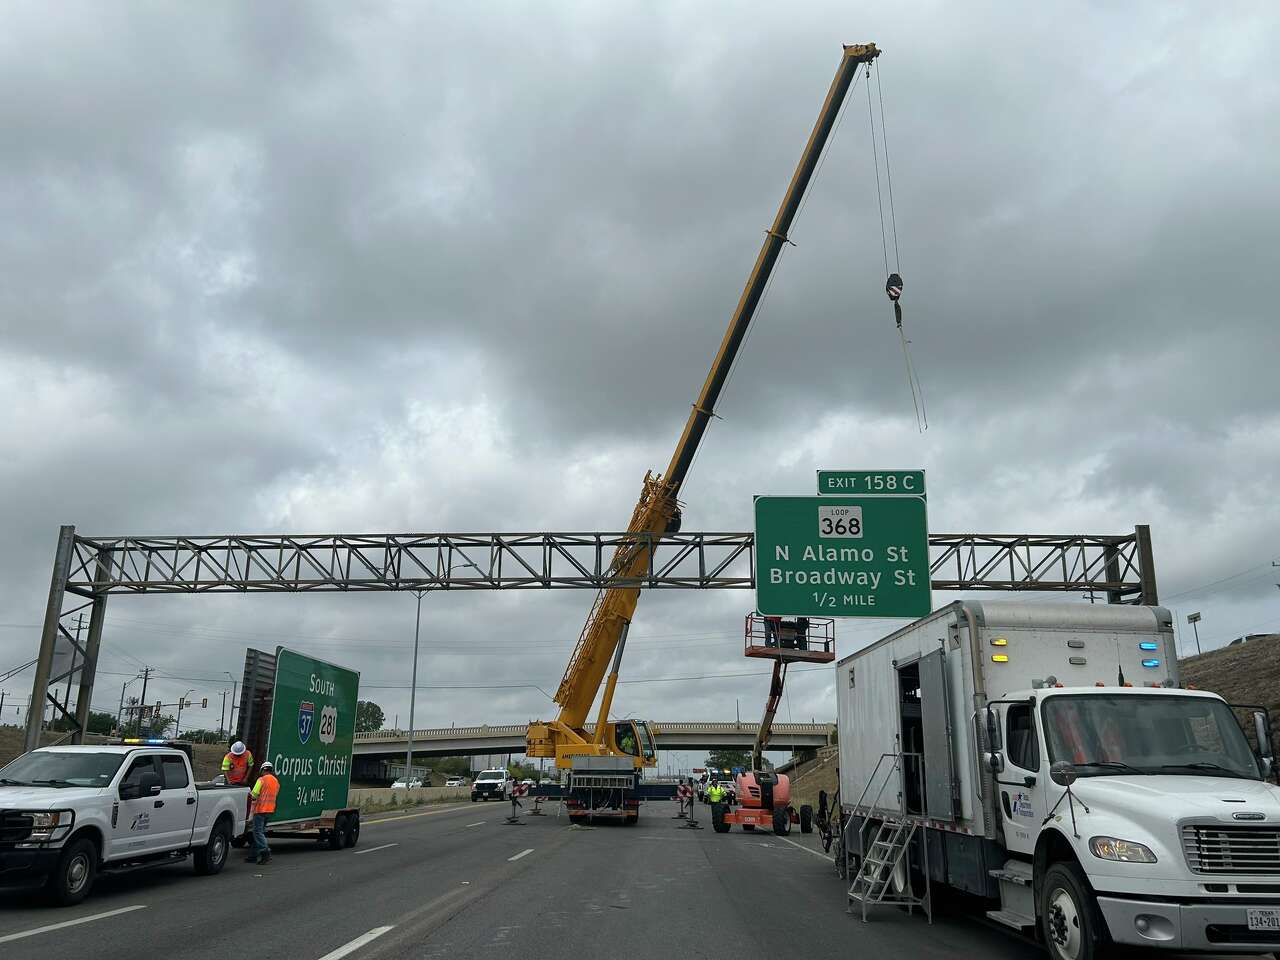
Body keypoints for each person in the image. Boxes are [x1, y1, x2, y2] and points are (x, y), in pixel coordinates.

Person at [247, 760, 279, 865]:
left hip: (260, 809)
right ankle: (253, 855)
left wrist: (249, 796)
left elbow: (254, 795)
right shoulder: (276, 781)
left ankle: (265, 852)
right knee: (259, 832)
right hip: (270, 810)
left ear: (262, 770)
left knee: (257, 832)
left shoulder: (261, 780)